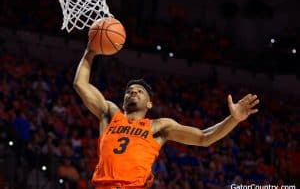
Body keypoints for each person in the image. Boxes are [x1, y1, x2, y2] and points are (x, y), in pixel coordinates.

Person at [73, 49, 260, 189]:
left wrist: (233, 119)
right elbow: (80, 84)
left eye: (140, 91)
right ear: (123, 100)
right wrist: (91, 50)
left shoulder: (158, 126)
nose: (133, 93)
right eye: (129, 91)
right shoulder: (110, 114)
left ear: (149, 104)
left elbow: (204, 137)